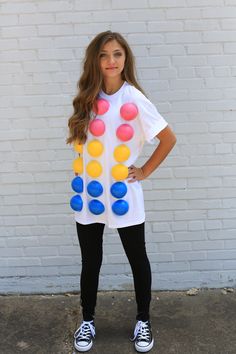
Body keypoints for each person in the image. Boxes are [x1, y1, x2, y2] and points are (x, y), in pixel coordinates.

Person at [66, 30, 176, 353]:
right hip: (88, 193)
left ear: (125, 59)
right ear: (95, 61)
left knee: (137, 259)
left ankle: (144, 320)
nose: (111, 61)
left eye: (117, 54)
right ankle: (87, 320)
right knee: (91, 261)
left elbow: (168, 139)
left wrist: (143, 171)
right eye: (103, 55)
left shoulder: (135, 99)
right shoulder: (87, 97)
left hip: (123, 194)